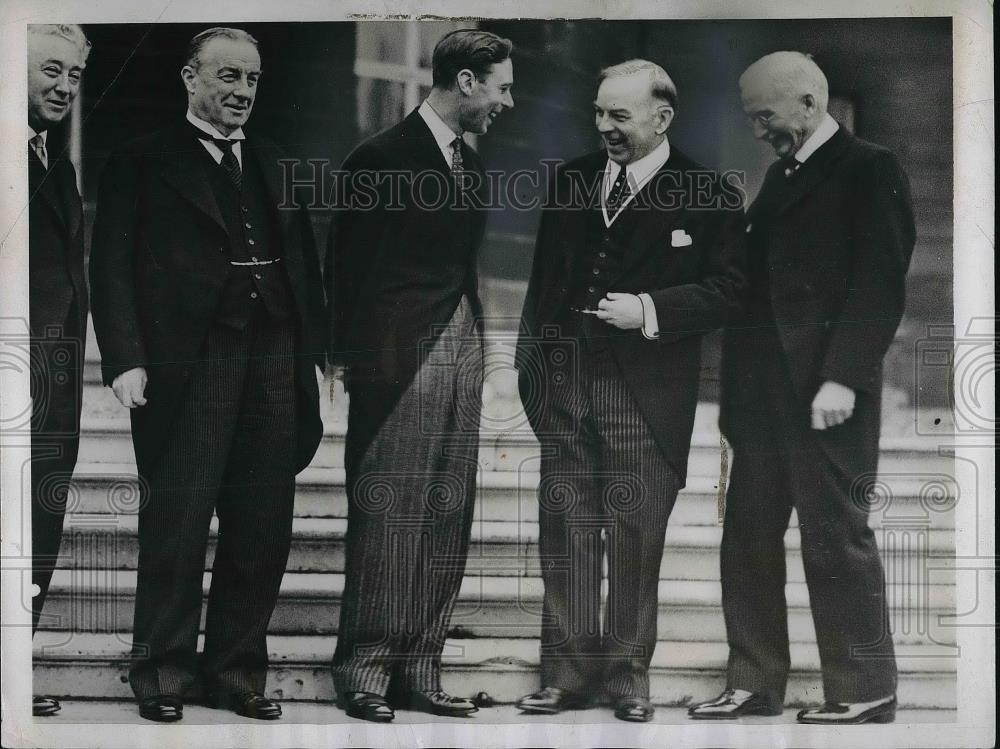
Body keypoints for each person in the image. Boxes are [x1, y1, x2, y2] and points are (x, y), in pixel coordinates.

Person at [89, 27, 325, 723]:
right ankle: (161, 670)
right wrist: (125, 358)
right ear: (190, 78)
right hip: (187, 362)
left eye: (251, 80)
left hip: (273, 357)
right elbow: (111, 265)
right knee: (178, 519)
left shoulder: (278, 161)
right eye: (227, 77)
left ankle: (236, 671)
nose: (241, 92)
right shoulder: (140, 160)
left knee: (262, 523)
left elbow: (305, 267)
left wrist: (313, 355)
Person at [514, 59, 747, 723]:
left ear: (661, 118)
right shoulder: (571, 181)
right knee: (567, 533)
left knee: (635, 536)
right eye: (598, 113)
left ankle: (626, 677)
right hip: (567, 390)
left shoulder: (708, 192)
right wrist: (538, 380)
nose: (605, 127)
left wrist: (648, 306)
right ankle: (564, 675)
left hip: (646, 398)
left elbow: (730, 290)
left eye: (619, 115)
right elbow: (542, 291)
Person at [688, 51, 915, 725]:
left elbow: (879, 285)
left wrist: (844, 375)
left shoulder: (870, 168)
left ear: (809, 106)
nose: (758, 130)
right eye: (753, 118)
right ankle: (754, 682)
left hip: (825, 395)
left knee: (835, 537)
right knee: (747, 536)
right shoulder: (786, 175)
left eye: (766, 116)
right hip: (760, 399)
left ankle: (865, 685)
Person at [325, 29, 513, 722]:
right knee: (388, 513)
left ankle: (420, 668)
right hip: (398, 357)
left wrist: (481, 349)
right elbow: (345, 263)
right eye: (501, 86)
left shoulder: (474, 163)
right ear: (465, 82)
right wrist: (347, 358)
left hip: (461, 342)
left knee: (446, 511)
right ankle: (365, 669)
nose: (507, 100)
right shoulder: (379, 157)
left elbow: (465, 267)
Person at [26, 22, 91, 718]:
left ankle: (13, 669)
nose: (64, 87)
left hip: (54, 389)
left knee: (37, 529)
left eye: (74, 76)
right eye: (51, 70)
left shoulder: (57, 163)